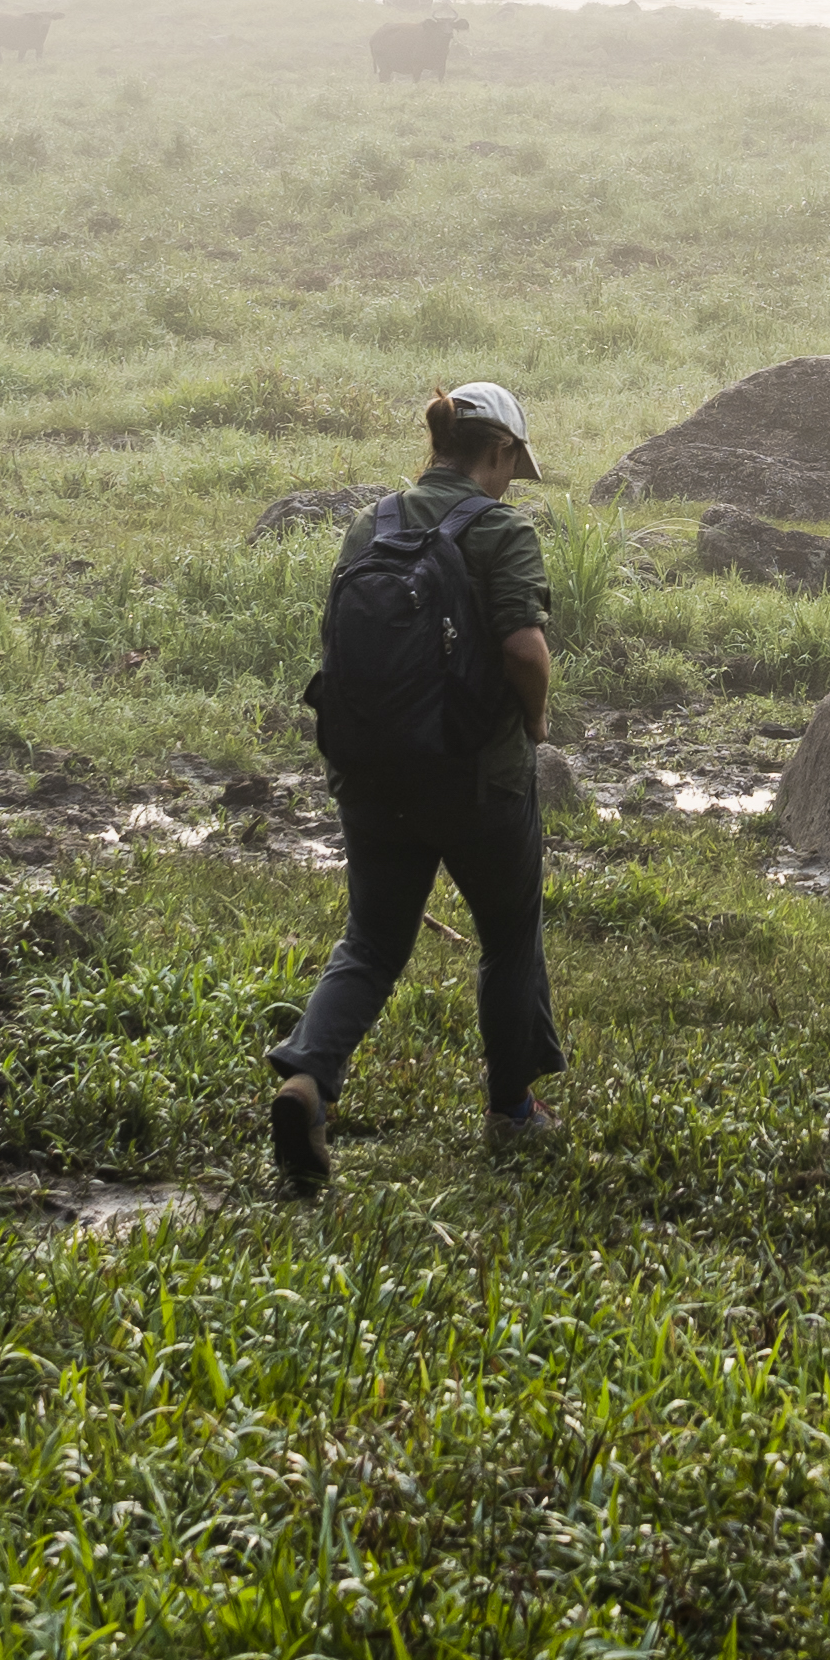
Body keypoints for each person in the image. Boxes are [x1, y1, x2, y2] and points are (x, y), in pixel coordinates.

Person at [269, 381, 570, 1195]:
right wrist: (537, 726)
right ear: (499, 452)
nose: (512, 479)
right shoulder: (502, 529)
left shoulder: (374, 523)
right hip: (478, 781)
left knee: (371, 942)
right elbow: (524, 653)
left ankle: (307, 1078)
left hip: (373, 774)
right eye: (513, 464)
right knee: (509, 936)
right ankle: (512, 1111)